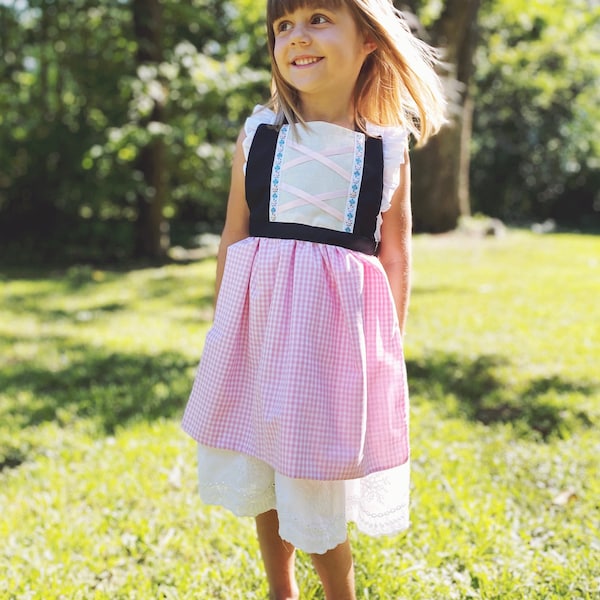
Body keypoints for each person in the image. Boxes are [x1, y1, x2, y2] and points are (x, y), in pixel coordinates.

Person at [182, 1, 446, 598]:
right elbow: (235, 233)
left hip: (332, 347)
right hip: (260, 334)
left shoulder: (385, 148)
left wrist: (387, 348)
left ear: (370, 40)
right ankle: (281, 590)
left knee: (313, 482)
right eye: (283, 26)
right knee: (265, 468)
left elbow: (395, 255)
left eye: (319, 19)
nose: (297, 37)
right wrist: (225, 325)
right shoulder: (259, 133)